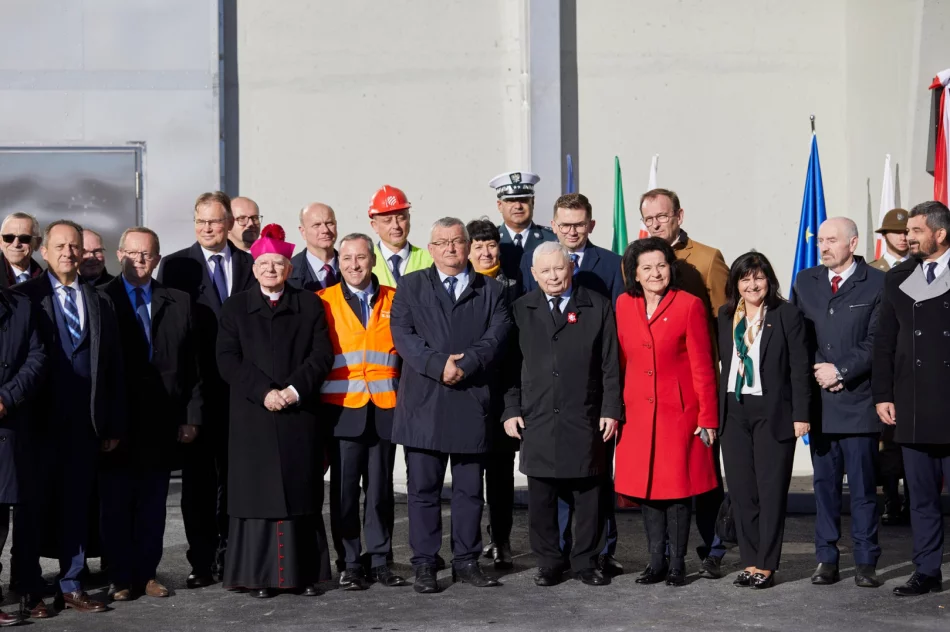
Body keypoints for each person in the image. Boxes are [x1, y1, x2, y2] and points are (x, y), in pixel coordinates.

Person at [390, 217, 511, 594]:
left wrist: (467, 363)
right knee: (422, 490)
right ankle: (425, 564)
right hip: (423, 403)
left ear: (468, 246)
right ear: (431, 248)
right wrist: (436, 364)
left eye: (457, 242)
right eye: (442, 243)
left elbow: (498, 335)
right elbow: (403, 335)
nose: (450, 249)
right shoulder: (410, 286)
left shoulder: (491, 290)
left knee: (470, 490)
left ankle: (466, 561)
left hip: (470, 401)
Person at [217, 224, 333, 598]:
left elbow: (321, 355)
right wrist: (265, 391)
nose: (271, 269)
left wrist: (294, 390)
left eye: (278, 263)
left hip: (298, 415)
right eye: (264, 263)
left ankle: (305, 575)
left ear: (288, 267)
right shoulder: (235, 307)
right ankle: (260, 577)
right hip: (253, 416)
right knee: (257, 498)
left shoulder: (309, 303)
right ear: (254, 268)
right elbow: (227, 359)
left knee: (301, 496)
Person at [17, 220, 125, 615]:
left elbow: (113, 368)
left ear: (83, 252)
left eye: (74, 246)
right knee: (32, 508)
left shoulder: (100, 301)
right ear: (43, 251)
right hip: (36, 423)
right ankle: (29, 587)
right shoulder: (24, 297)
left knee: (77, 505)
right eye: (59, 246)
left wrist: (111, 423)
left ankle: (72, 582)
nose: (68, 252)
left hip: (85, 423)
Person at [504, 241, 622, 587]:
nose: (554, 276)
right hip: (537, 416)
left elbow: (611, 366)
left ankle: (586, 561)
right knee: (541, 498)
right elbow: (510, 369)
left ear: (570, 267)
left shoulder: (597, 306)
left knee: (590, 496)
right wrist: (511, 410)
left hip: (585, 415)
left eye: (559, 268)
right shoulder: (520, 309)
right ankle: (549, 562)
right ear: (534, 275)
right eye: (545, 271)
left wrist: (611, 409)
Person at [158, 191, 258, 587]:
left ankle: (233, 556)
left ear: (230, 223)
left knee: (236, 481)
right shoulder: (177, 265)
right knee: (198, 486)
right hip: (198, 394)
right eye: (201, 221)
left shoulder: (250, 265)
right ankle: (201, 561)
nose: (207, 228)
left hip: (241, 395)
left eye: (215, 222)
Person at [99, 227, 204, 602]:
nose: (140, 260)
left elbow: (191, 366)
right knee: (116, 504)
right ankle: (120, 577)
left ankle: (147, 574)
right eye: (133, 253)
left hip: (162, 423)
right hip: (118, 423)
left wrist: (191, 416)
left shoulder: (177, 300)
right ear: (120, 254)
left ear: (157, 259)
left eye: (148, 254)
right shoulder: (101, 299)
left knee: (152, 506)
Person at [613, 238, 719, 586]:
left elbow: (703, 365)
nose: (656, 273)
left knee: (676, 490)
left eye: (661, 265)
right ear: (635, 274)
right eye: (647, 267)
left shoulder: (689, 304)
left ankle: (677, 564)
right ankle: (655, 561)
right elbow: (622, 360)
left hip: (680, 412)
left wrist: (707, 418)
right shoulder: (624, 305)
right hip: (638, 414)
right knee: (647, 491)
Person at [639, 187, 730, 577]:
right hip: (655, 392)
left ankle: (714, 548)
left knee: (704, 475)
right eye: (649, 219)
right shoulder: (638, 258)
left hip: (697, 386)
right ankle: (664, 556)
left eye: (662, 216)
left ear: (679, 215)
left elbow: (725, 323)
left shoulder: (707, 259)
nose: (656, 224)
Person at [791, 217, 885, 588]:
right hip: (820, 402)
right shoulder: (806, 281)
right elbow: (798, 336)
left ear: (854, 243)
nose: (824, 246)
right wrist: (817, 372)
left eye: (832, 240)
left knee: (862, 489)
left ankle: (865, 562)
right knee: (824, 486)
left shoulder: (877, 283)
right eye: (821, 241)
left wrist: (841, 370)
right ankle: (826, 559)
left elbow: (878, 340)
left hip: (858, 401)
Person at [717, 252, 810, 589]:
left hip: (774, 412)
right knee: (742, 492)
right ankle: (751, 560)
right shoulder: (725, 316)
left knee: (770, 492)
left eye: (758, 277)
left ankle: (767, 565)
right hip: (734, 410)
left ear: (769, 280)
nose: (752, 284)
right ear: (735, 283)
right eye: (745, 278)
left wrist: (801, 416)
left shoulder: (786, 315)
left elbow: (799, 369)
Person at [320, 233, 406, 590]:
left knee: (381, 492)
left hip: (385, 408)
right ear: (339, 263)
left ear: (373, 260)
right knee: (343, 494)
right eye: (346, 259)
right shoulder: (323, 301)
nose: (354, 265)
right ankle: (351, 562)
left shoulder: (396, 299)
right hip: (342, 411)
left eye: (361, 258)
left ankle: (381, 559)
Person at [873, 200, 950, 597]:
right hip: (914, 404)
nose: (909, 237)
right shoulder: (899, 277)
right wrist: (882, 394)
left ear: (939, 233)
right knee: (920, 497)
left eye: (917, 230)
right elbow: (885, 340)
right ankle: (927, 570)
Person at [466, 218, 521, 569]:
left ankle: (501, 539)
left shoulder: (515, 285)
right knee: (469, 472)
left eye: (491, 245)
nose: (486, 252)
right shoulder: (460, 284)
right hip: (468, 389)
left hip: (503, 391)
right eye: (479, 246)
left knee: (501, 474)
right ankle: (468, 543)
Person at [0, 282, 45, 626]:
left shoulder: (20, 305)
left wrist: (7, 397)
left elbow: (36, 354)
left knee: (15, 515)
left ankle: (25, 589)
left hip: (13, 424)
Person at [868, 207, 911, 525]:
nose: (902, 237)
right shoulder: (874, 272)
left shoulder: (923, 268)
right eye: (895, 232)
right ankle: (891, 500)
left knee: (914, 436)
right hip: (883, 362)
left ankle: (912, 497)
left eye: (905, 231)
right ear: (885, 237)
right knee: (887, 442)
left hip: (910, 363)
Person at [488, 171, 556, 280]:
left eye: (524, 200)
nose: (518, 206)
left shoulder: (553, 239)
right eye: (510, 201)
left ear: (532, 202)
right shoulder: (490, 243)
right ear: (500, 205)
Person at [368, 185, 433, 288]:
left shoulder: (430, 260)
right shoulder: (365, 261)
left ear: (409, 219)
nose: (396, 226)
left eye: (401, 218)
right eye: (387, 220)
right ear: (374, 226)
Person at [291, 203, 340, 291]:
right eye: (317, 225)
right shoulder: (289, 273)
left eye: (329, 223)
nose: (325, 230)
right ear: (303, 231)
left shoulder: (352, 267)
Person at [0, 212, 43, 287]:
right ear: (0, 242)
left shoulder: (48, 282)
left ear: (37, 243)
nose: (16, 244)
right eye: (9, 238)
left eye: (24, 238)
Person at [869, 208, 910, 272]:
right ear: (884, 234)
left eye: (907, 232)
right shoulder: (869, 270)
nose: (903, 238)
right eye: (896, 232)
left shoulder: (923, 267)